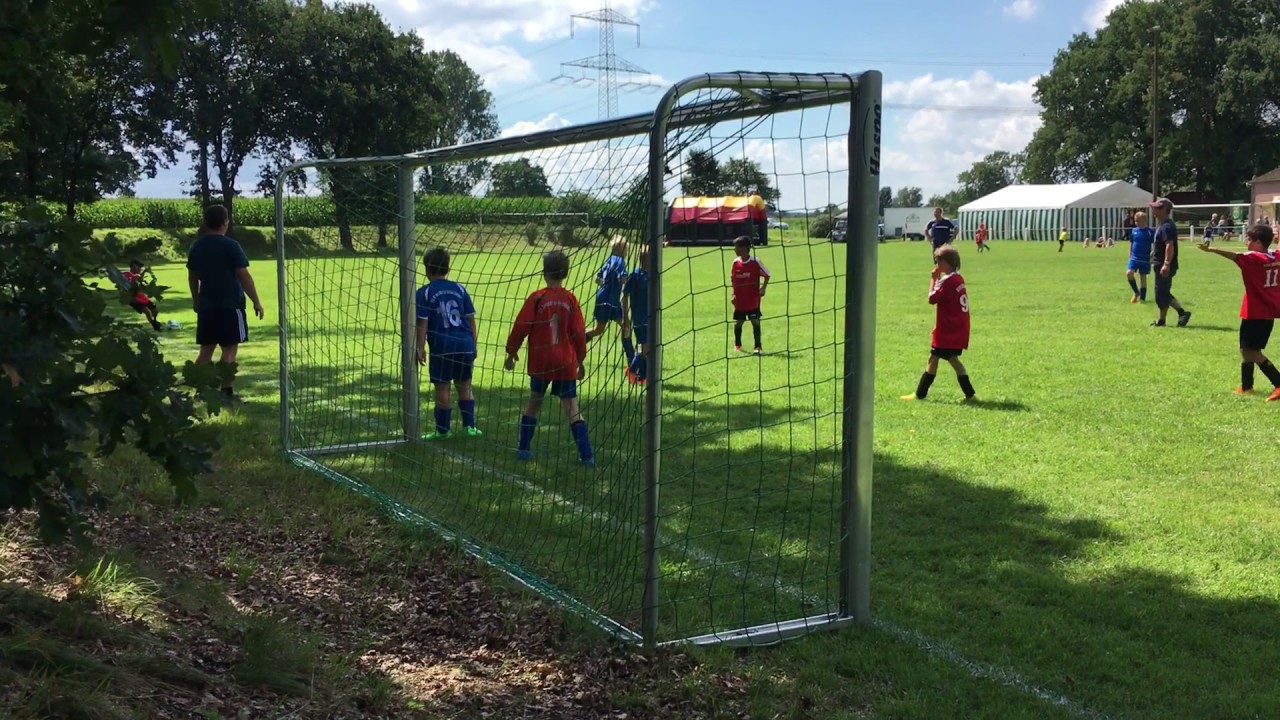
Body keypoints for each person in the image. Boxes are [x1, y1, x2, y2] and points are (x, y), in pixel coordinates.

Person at [504, 251, 595, 466]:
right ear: (566, 273)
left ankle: (524, 449)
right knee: (572, 408)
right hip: (565, 362)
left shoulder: (537, 298)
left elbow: (521, 326)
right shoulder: (571, 299)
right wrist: (580, 360)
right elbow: (578, 333)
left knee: (534, 403)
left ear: (544, 273)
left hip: (541, 361)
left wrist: (511, 351)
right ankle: (587, 455)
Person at [187, 204, 264, 401]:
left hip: (207, 306)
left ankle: (200, 391)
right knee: (229, 348)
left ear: (205, 223)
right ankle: (226, 392)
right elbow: (244, 276)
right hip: (231, 305)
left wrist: (196, 300)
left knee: (206, 349)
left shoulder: (197, 246)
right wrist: (256, 301)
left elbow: (192, 276)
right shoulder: (231, 246)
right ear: (225, 223)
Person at [1196, 224, 1280, 399]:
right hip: (1267, 310)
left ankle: (1278, 382)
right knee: (1246, 348)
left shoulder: (1254, 258)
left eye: (1249, 239)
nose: (1246, 243)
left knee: (1251, 351)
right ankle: (1247, 386)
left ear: (1258, 242)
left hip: (1256, 310)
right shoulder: (1276, 256)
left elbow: (1234, 256)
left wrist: (1211, 249)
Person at [415, 247, 481, 440]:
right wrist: (473, 344)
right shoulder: (460, 288)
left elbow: (422, 322)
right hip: (465, 343)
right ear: (448, 268)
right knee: (465, 384)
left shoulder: (425, 292)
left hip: (442, 345)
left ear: (427, 269)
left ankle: (443, 430)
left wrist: (420, 347)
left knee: (443, 387)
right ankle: (470, 426)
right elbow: (471, 319)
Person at [902, 244, 976, 401]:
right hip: (956, 327)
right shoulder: (958, 278)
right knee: (950, 359)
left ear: (945, 262)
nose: (936, 264)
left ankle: (919, 394)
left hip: (948, 330)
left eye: (937, 260)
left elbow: (931, 298)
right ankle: (970, 395)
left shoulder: (947, 281)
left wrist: (933, 278)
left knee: (936, 358)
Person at [584, 236, 631, 363]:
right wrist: (630, 282)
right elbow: (622, 278)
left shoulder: (609, 260)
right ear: (620, 248)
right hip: (610, 301)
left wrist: (608, 285)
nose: (627, 251)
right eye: (626, 248)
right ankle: (631, 357)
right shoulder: (620, 261)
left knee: (600, 329)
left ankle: (631, 357)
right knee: (625, 325)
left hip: (605, 298)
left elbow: (598, 279)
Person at [1149, 197, 1192, 328]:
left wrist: (1166, 263)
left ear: (1164, 210)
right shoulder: (1162, 225)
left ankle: (1182, 313)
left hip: (1164, 265)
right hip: (1159, 263)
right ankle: (1163, 320)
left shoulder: (1167, 226)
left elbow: (1169, 245)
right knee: (1162, 293)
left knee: (1161, 293)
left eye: (1156, 208)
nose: (1153, 210)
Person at [729, 235, 770, 354]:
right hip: (739, 300)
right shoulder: (735, 263)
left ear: (744, 248)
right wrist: (733, 294)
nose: (734, 250)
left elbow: (767, 274)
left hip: (753, 299)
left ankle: (758, 347)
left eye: (736, 247)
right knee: (738, 323)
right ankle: (737, 345)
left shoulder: (755, 262)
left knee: (755, 322)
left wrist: (763, 288)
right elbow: (733, 279)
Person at [620, 242, 651, 385]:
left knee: (648, 349)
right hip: (640, 319)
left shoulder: (651, 275)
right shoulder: (635, 276)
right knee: (645, 348)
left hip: (651, 319)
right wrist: (625, 316)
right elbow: (624, 296)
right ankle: (631, 370)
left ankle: (642, 377)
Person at [122, 259, 163, 331]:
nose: (139, 269)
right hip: (133, 299)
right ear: (132, 267)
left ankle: (155, 321)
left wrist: (142, 280)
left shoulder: (138, 276)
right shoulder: (126, 274)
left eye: (140, 268)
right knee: (147, 311)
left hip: (142, 297)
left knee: (155, 310)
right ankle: (154, 324)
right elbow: (127, 285)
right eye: (137, 267)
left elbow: (141, 286)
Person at [1126, 210, 1154, 303]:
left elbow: (1155, 244)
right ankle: (1136, 292)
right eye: (1135, 220)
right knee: (1129, 273)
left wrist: (1152, 254)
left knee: (1143, 277)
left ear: (1144, 220)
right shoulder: (1134, 231)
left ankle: (1142, 299)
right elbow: (1131, 242)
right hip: (1134, 257)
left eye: (1137, 220)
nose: (1135, 222)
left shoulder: (1150, 232)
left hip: (1145, 258)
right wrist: (1129, 254)